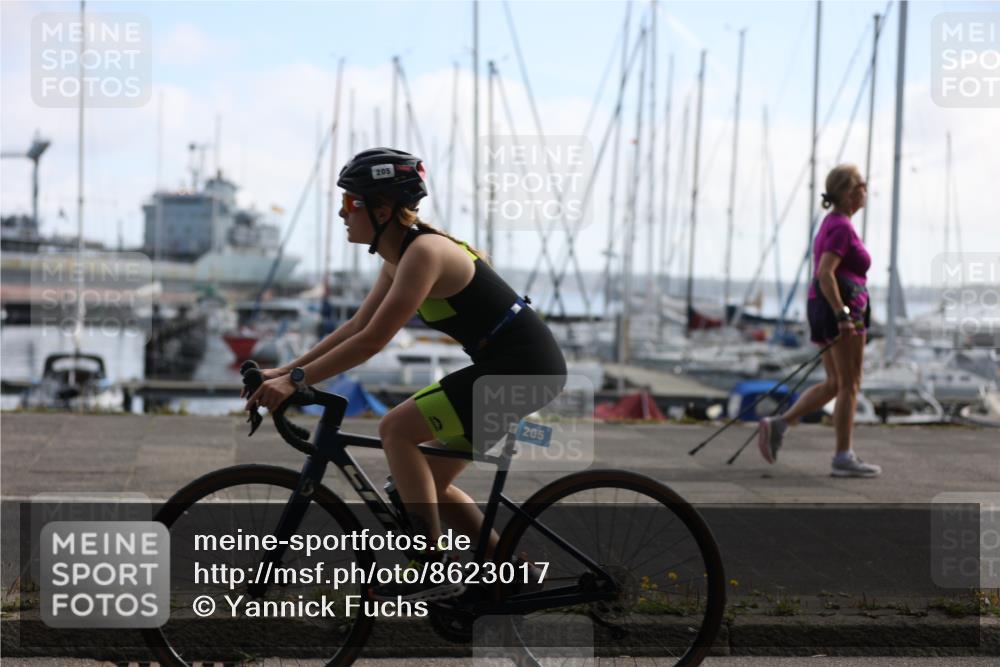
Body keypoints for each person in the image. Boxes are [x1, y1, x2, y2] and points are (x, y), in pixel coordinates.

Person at [244, 148, 567, 599]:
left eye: (350, 203)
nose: (341, 212)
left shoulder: (424, 254)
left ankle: (428, 566)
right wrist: (284, 370)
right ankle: (512, 575)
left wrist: (297, 383)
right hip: (514, 370)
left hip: (521, 371)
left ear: (381, 210)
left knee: (396, 429)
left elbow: (373, 342)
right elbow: (356, 326)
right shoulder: (398, 256)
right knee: (426, 486)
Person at [757, 163, 881, 478]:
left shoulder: (831, 223)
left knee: (835, 383)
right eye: (862, 185)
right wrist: (842, 313)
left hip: (824, 306)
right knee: (850, 384)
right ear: (849, 192)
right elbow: (826, 273)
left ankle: (780, 424)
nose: (866, 190)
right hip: (841, 309)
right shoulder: (841, 227)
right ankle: (843, 456)